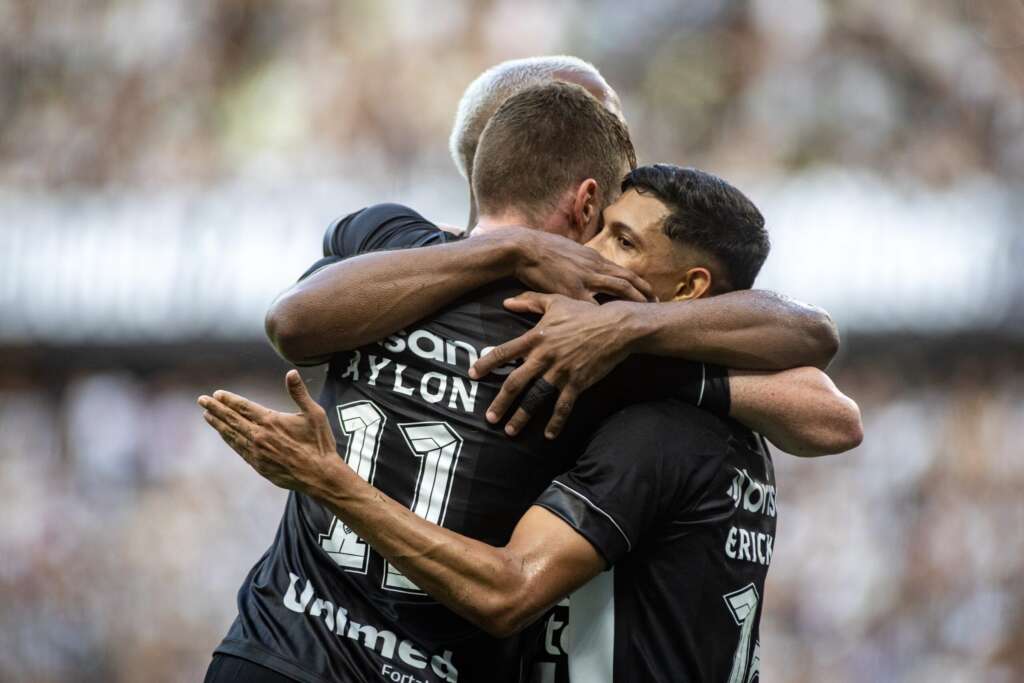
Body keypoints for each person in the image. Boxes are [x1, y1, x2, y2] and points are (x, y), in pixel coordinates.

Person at [200, 82, 859, 683]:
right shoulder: (590, 335)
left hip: (266, 652)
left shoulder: (383, 245)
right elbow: (823, 389)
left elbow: (290, 320)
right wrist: (635, 335)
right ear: (587, 199)